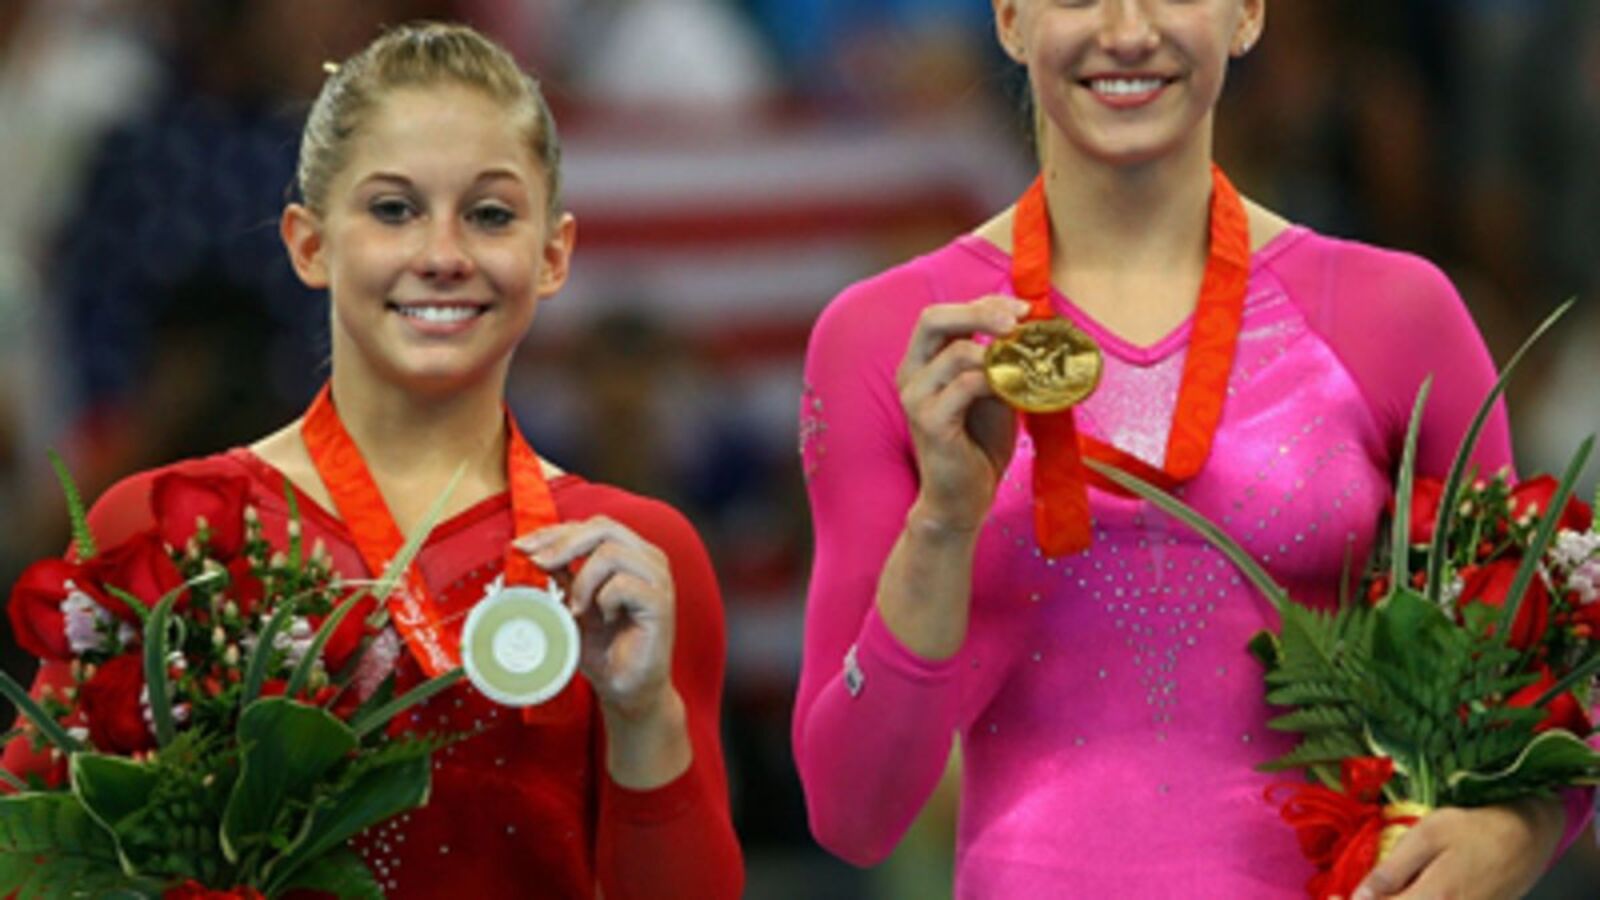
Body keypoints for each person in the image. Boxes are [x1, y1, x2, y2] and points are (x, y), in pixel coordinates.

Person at [791, 1, 1590, 897]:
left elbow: (1545, 704)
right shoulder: (893, 340)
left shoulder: (1399, 317)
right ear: (1010, 19)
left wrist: (1515, 833)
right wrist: (941, 525)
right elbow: (851, 816)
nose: (1128, 31)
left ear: (1247, 13)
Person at [3, 22, 742, 899]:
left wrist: (643, 715)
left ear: (552, 255)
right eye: (393, 209)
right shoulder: (167, 527)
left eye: (491, 214)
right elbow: (34, 860)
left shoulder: (629, 559)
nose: (441, 255)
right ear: (309, 244)